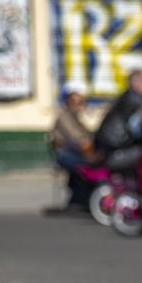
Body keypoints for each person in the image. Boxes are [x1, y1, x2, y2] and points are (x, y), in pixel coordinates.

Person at [94, 68, 142, 172]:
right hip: (113, 153)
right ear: (136, 83)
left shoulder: (127, 97)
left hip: (113, 149)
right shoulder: (133, 99)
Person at [49, 80, 95, 211]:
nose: (80, 105)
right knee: (87, 167)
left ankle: (79, 199)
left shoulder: (77, 117)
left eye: (81, 102)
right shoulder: (64, 116)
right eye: (77, 102)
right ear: (69, 102)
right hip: (64, 154)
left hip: (76, 152)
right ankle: (79, 200)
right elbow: (77, 138)